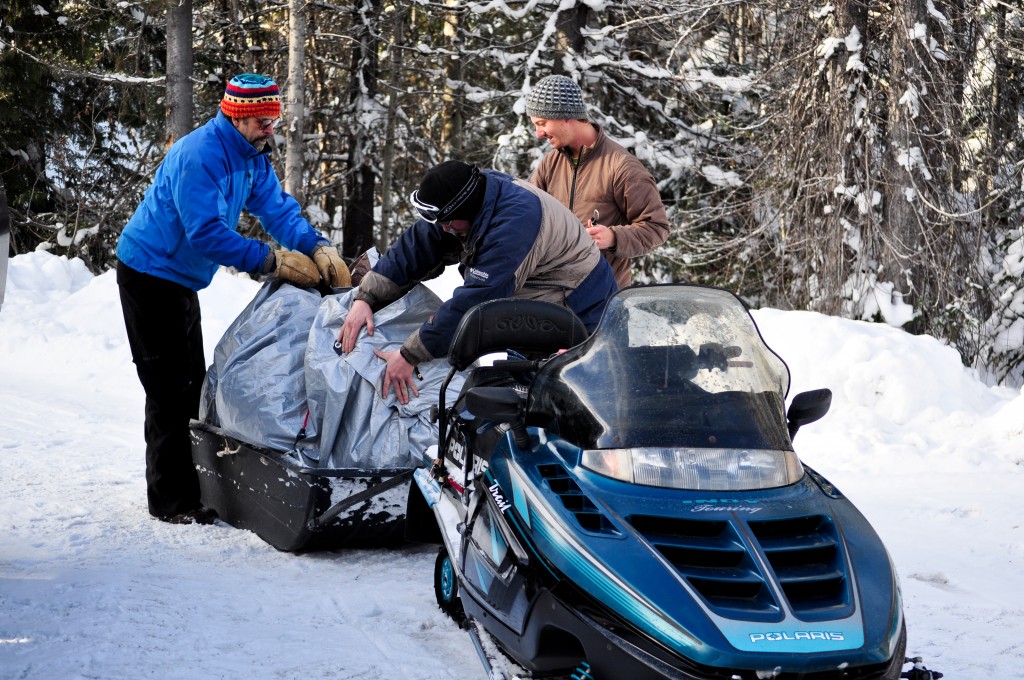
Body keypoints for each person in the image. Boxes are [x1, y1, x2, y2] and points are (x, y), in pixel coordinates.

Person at [116, 73, 351, 524]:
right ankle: (172, 503)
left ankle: (192, 487)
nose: (271, 129)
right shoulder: (199, 155)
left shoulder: (252, 155)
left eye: (274, 120)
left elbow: (277, 208)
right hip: (148, 275)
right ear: (238, 116)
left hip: (181, 279)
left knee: (193, 385)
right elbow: (204, 233)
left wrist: (315, 246)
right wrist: (269, 260)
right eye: (263, 120)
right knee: (169, 389)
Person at [339, 160, 617, 405]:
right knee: (515, 398)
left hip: (579, 305)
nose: (445, 229)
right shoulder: (464, 196)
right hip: (532, 302)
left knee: (560, 401)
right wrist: (366, 298)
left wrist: (409, 355)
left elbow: (475, 303)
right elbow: (416, 245)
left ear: (466, 211)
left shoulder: (513, 225)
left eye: (449, 223)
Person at [524, 74, 670, 288]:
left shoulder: (622, 167)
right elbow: (527, 213)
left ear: (566, 117)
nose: (538, 133)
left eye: (542, 123)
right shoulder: (550, 164)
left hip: (602, 300)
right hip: (554, 295)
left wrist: (613, 237)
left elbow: (657, 228)